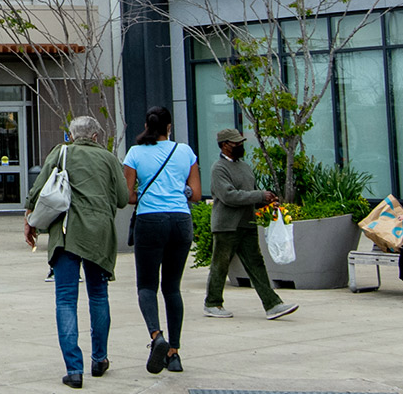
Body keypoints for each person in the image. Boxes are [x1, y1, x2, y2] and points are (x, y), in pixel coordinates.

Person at [25, 116, 129, 389]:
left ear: (71, 136)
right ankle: (100, 359)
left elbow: (37, 191)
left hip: (67, 235)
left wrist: (28, 219)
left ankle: (74, 370)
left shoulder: (61, 152)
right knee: (98, 295)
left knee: (66, 301)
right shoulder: (108, 159)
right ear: (96, 136)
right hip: (100, 235)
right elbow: (121, 199)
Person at [122, 106, 200, 375]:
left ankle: (157, 336)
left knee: (146, 286)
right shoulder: (185, 151)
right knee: (172, 289)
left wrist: (146, 193)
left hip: (150, 221)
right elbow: (197, 194)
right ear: (169, 127)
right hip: (180, 220)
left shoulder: (135, 153)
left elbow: (127, 195)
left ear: (147, 125)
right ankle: (174, 353)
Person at [203, 127, 298, 321]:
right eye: (235, 143)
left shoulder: (245, 167)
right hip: (226, 225)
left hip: (247, 223)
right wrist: (259, 195)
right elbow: (229, 196)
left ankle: (272, 304)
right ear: (224, 145)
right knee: (220, 265)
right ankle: (212, 303)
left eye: (241, 142)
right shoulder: (218, 168)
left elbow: (251, 193)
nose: (239, 146)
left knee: (256, 263)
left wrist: (266, 200)